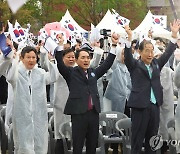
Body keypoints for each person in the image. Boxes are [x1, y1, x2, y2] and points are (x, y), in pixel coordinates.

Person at [55, 32, 119, 154]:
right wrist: (60, 44)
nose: (86, 60)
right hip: (79, 114)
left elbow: (106, 65)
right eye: (83, 58)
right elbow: (59, 62)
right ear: (77, 60)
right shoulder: (71, 73)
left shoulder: (93, 73)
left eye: (88, 58)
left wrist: (114, 46)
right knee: (78, 146)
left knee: (92, 145)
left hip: (93, 114)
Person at [124, 20, 180, 154]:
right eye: (147, 51)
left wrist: (173, 34)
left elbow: (167, 54)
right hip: (140, 107)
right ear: (139, 52)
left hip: (154, 107)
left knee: (153, 140)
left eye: (152, 51)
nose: (150, 54)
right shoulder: (135, 66)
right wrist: (129, 38)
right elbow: (127, 57)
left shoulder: (156, 64)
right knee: (137, 141)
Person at [4, 45, 57, 154]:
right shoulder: (17, 73)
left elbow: (53, 77)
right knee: (23, 148)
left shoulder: (40, 73)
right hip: (22, 118)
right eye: (28, 57)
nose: (31, 60)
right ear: (22, 58)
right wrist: (15, 59)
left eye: (33, 57)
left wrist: (47, 59)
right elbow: (9, 78)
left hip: (39, 118)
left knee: (40, 147)